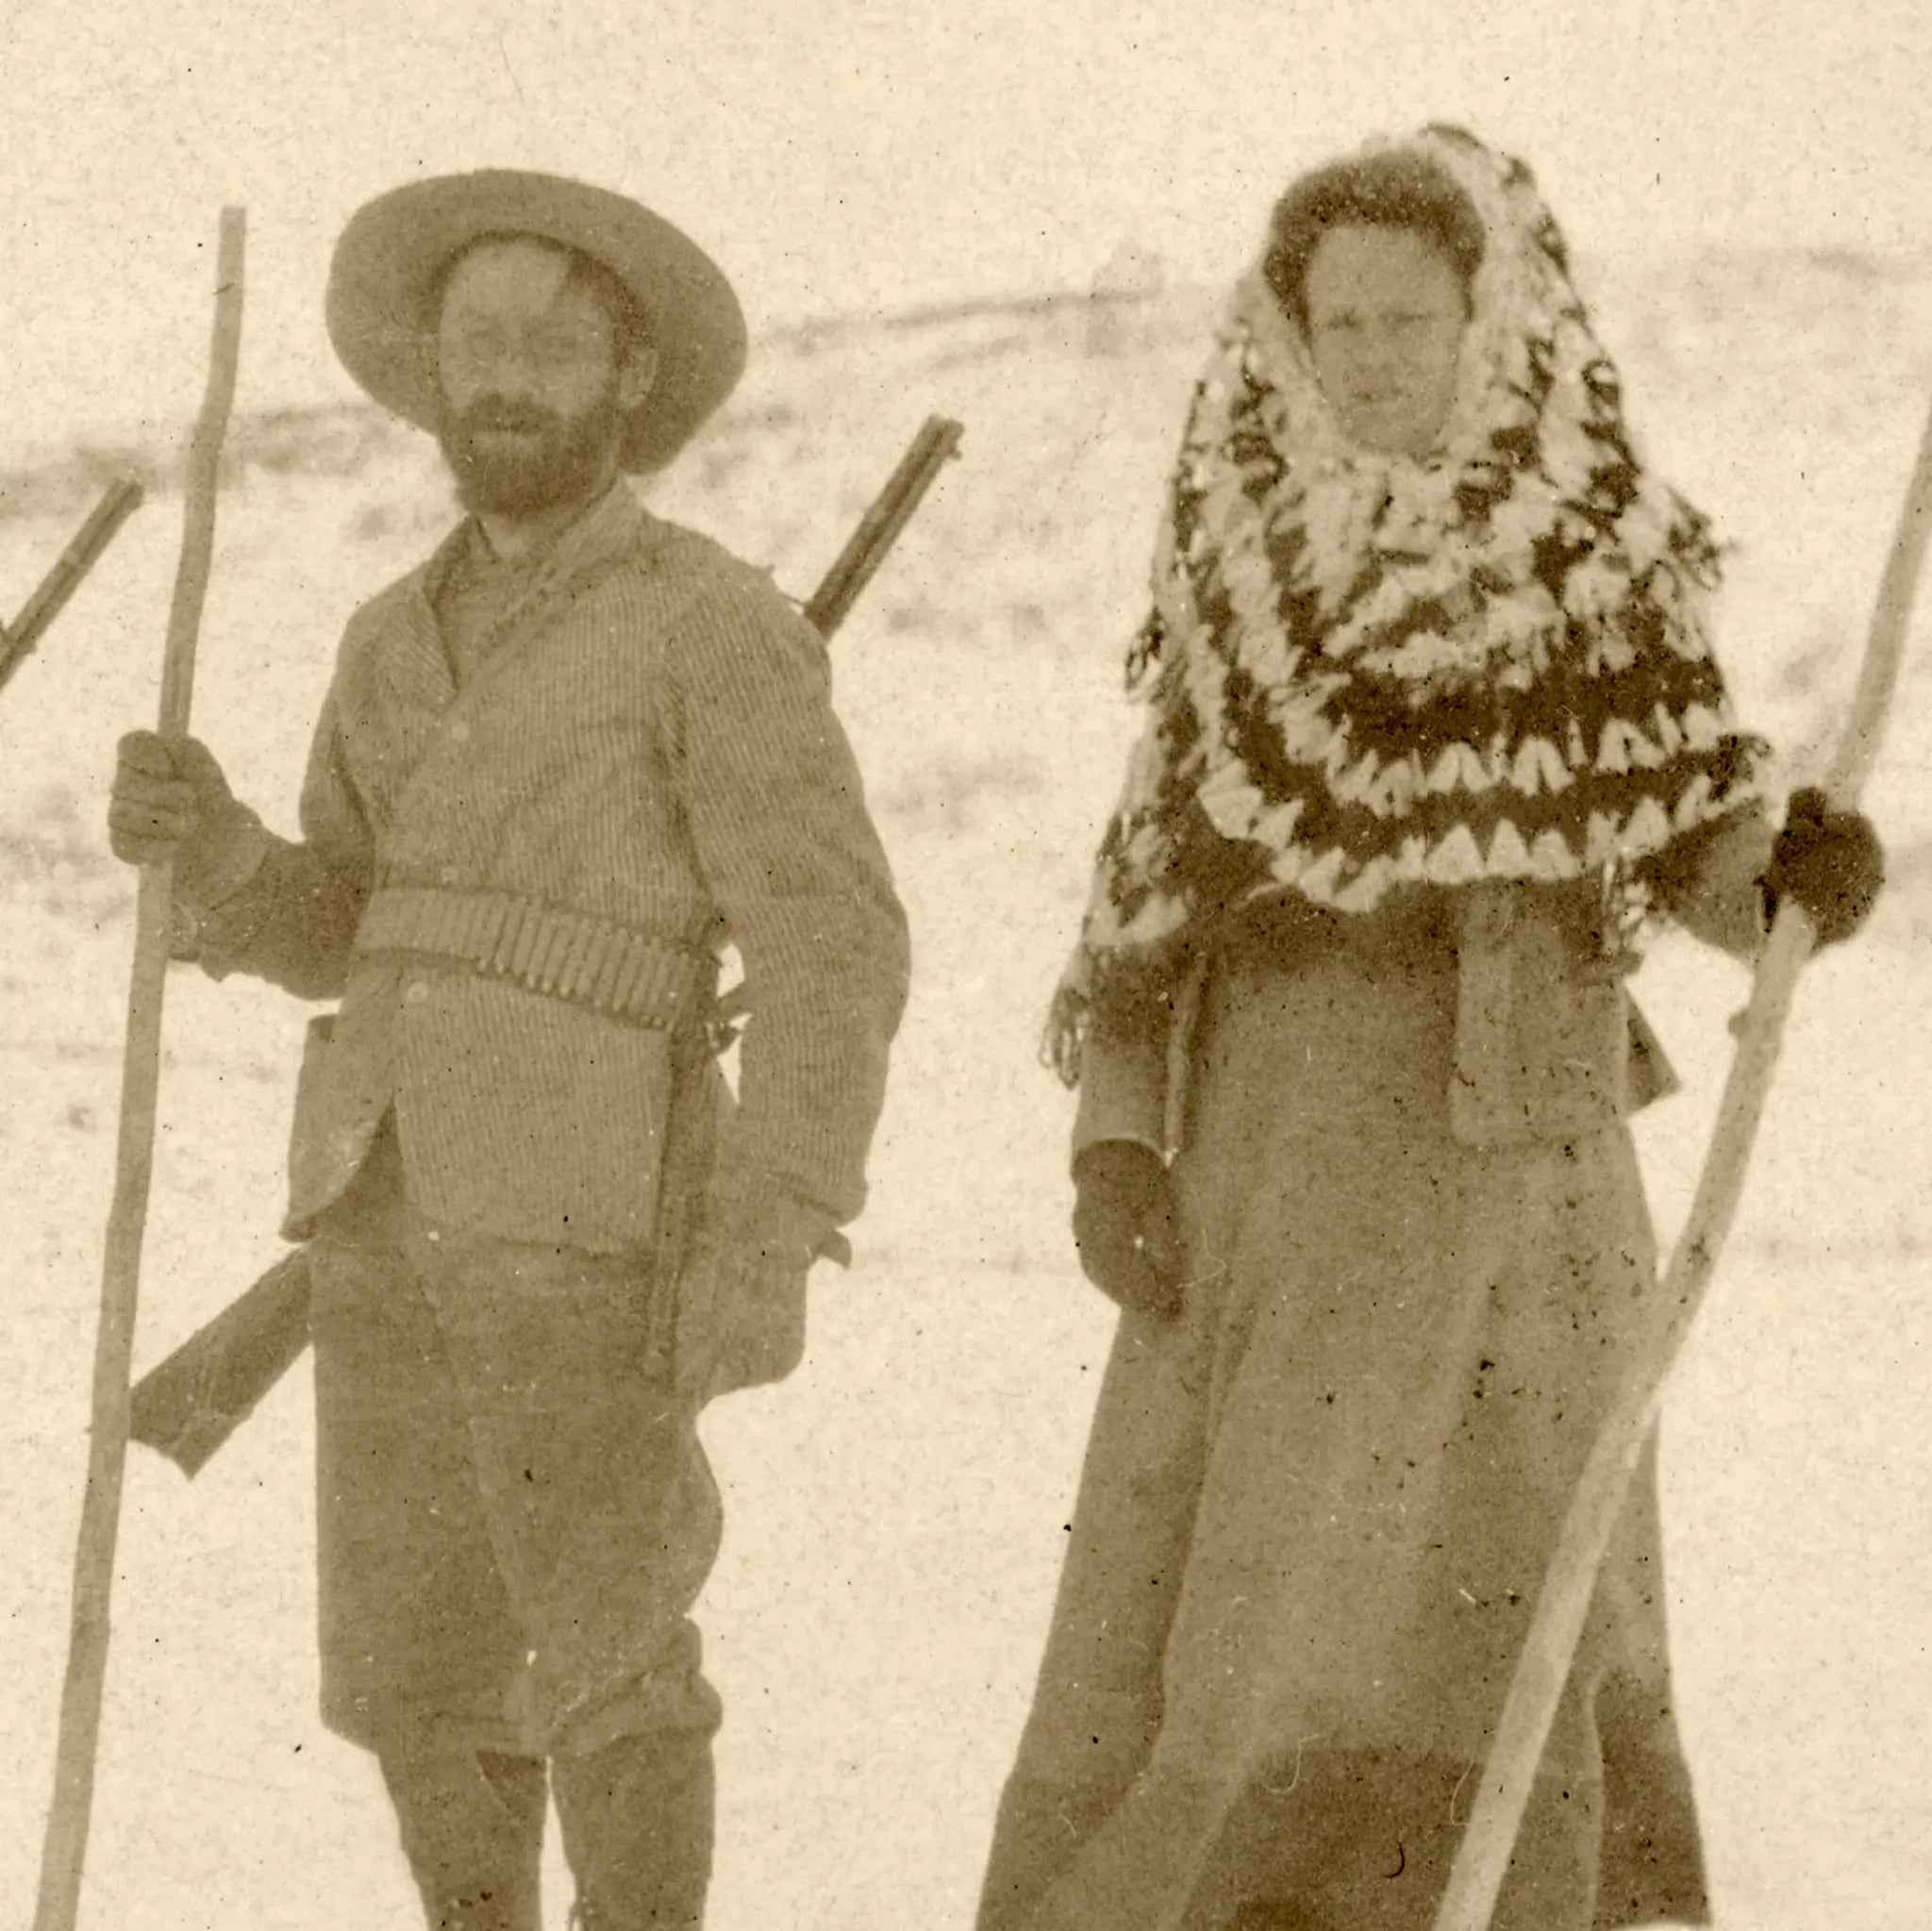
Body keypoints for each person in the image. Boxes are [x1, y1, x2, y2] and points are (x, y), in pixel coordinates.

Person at [974, 125, 1883, 1931]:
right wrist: (1112, 1139)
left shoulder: (1594, 569)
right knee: (1268, 1575)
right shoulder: (1242, 582)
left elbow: (1685, 828)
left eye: (1411, 318)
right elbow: (1150, 901)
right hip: (1283, 1171)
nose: (1375, 355)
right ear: (1292, 337)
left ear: (1490, 328)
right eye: (1342, 322)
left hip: (1527, 1169)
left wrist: (1791, 869)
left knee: (1513, 1561)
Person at [107, 169, 909, 1931]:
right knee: (416, 1668)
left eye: (555, 343)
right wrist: (220, 851)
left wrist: (774, 1225)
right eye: (479, 342)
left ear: (630, 382)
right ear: (431, 370)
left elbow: (836, 943)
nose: (509, 377)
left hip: (591, 1216)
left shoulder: (711, 620)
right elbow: (350, 921)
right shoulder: (383, 642)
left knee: (608, 1643)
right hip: (374, 1211)